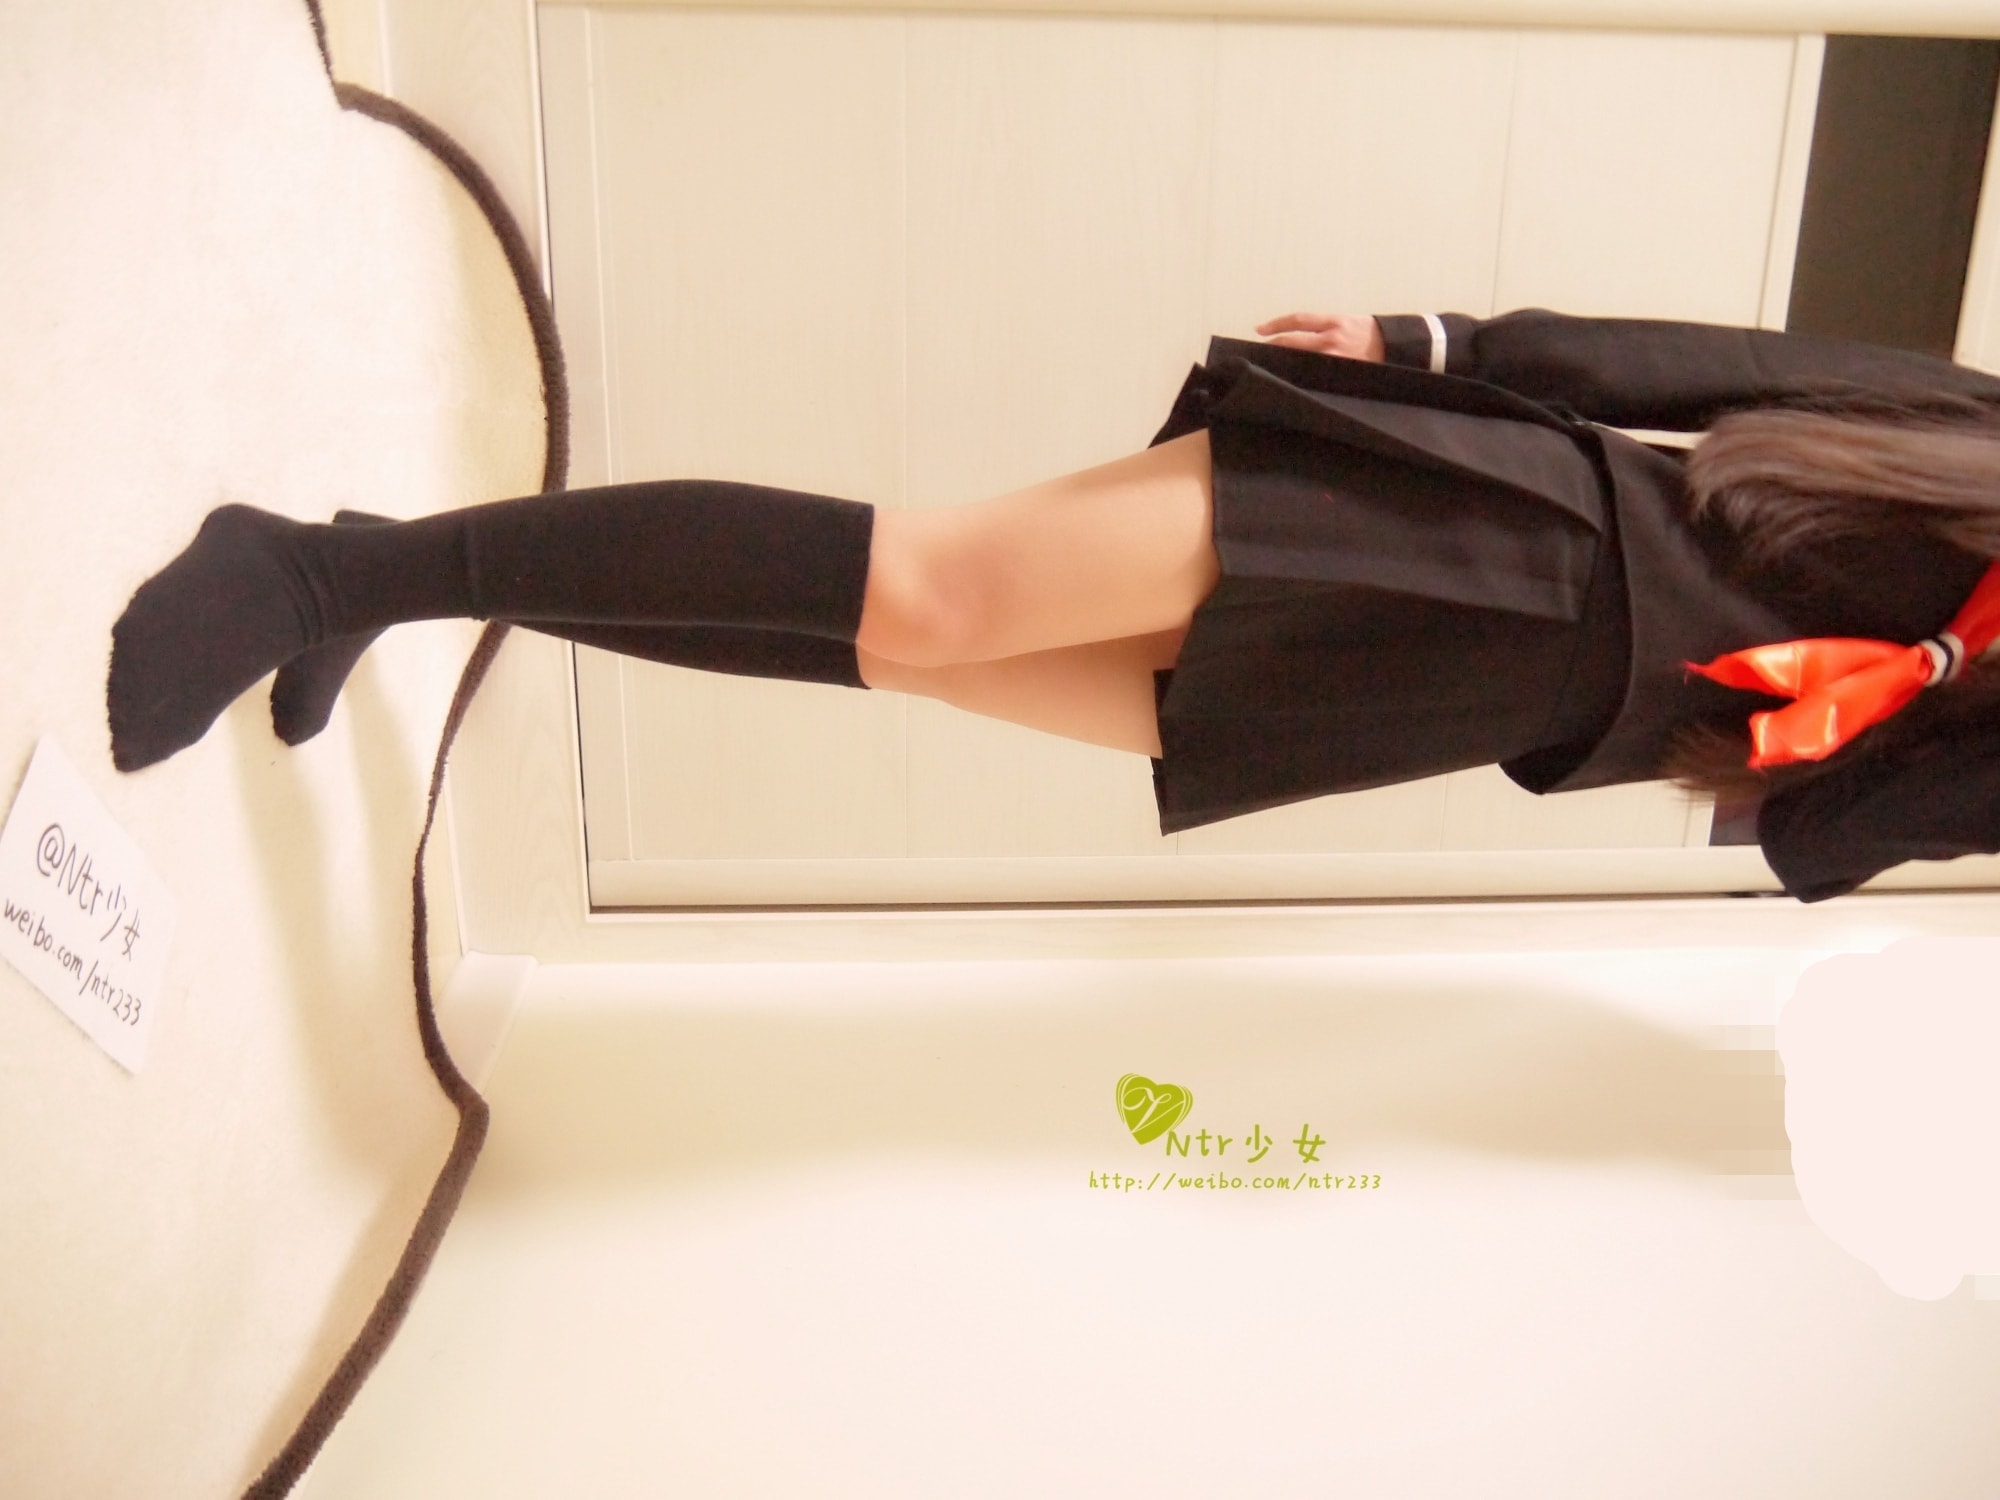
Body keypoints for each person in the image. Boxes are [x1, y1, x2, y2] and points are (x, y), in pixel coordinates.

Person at [107, 308, 2000, 901]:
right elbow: (1735, 370)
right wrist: (1442, 343)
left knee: (915, 656)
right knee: (931, 584)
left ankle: (389, 570)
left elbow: (1817, 842)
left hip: (1496, 707)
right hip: (1520, 530)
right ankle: (307, 568)